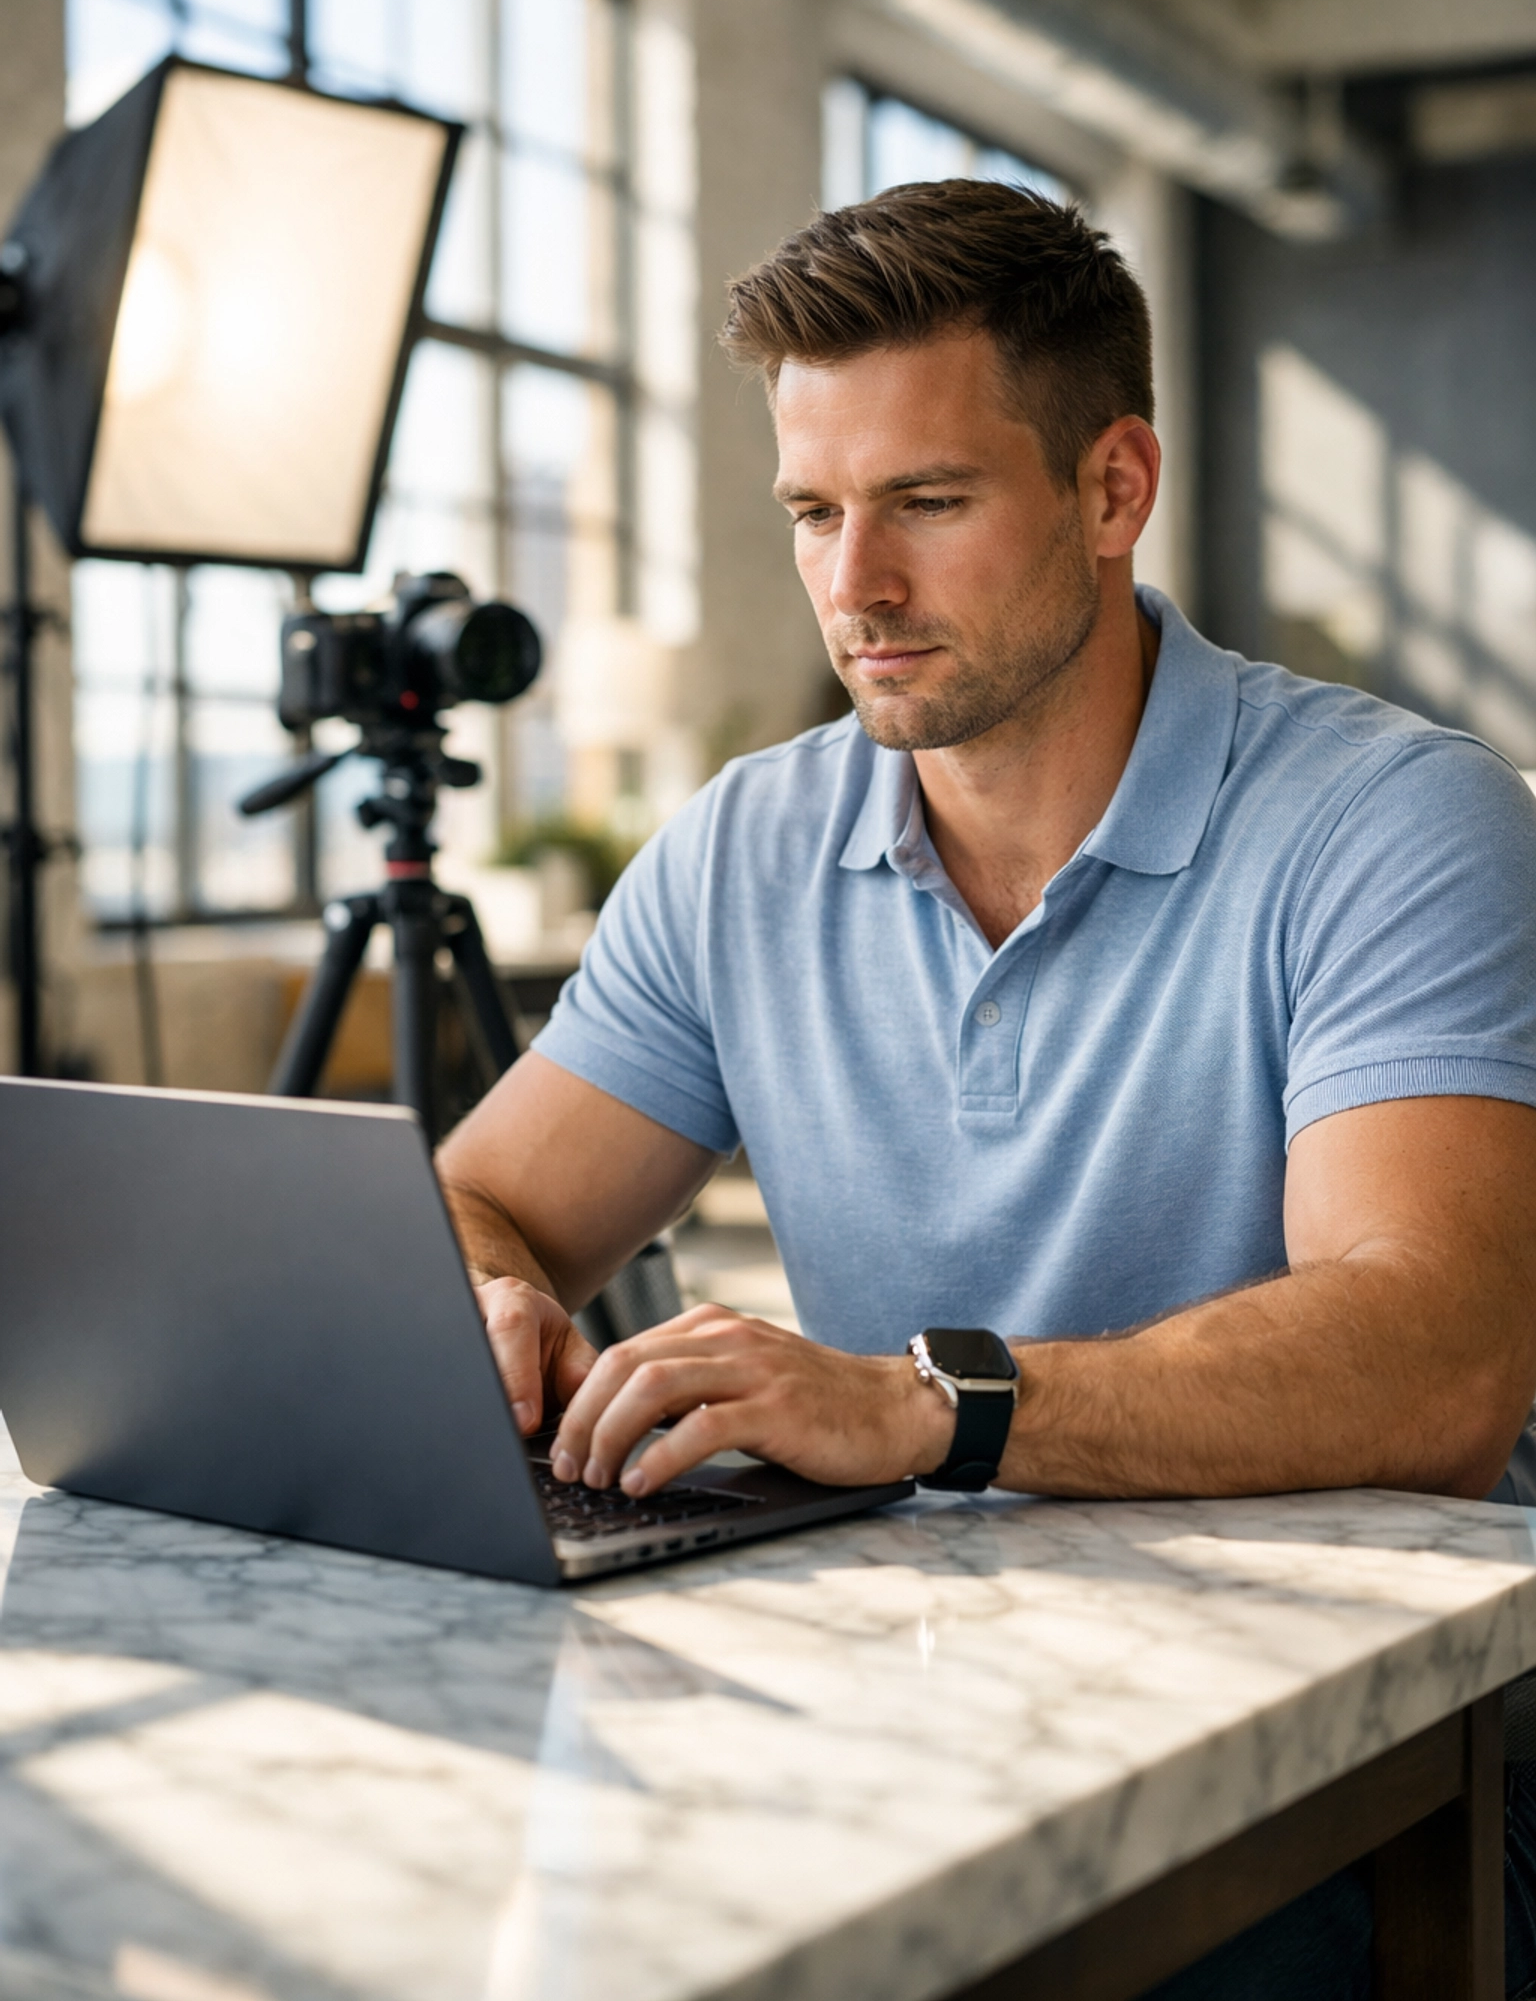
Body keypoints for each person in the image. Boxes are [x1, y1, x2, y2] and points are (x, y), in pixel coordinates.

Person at [437, 180, 1536, 1999]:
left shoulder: (1396, 824)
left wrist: (924, 1405)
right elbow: (492, 1198)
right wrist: (488, 1299)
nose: (853, 585)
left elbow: (1440, 1357)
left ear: (1114, 490)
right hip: (928, 1711)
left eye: (927, 504)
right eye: (813, 510)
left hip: (1372, 1765)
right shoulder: (743, 850)